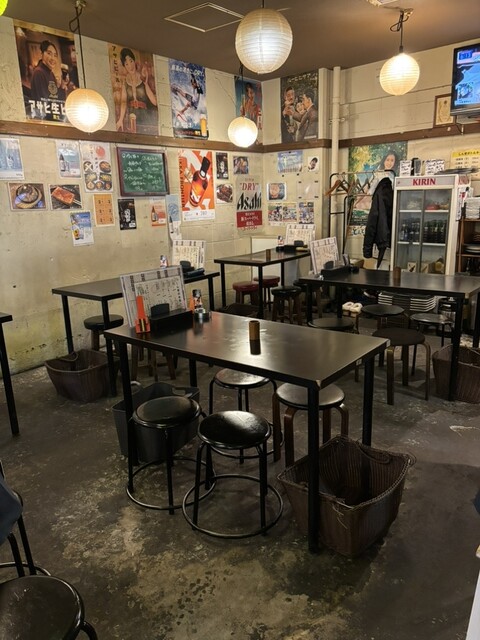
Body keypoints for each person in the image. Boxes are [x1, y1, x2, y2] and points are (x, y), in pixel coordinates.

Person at [116, 48, 157, 134]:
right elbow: (123, 102)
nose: (130, 66)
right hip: (131, 117)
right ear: (124, 66)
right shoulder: (125, 82)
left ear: (134, 61)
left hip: (145, 117)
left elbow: (154, 102)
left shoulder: (143, 78)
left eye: (131, 61)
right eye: (126, 64)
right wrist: (120, 120)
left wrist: (146, 84)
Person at [30, 40, 65, 105]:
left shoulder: (51, 73)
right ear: (41, 54)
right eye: (49, 53)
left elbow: (55, 97)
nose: (53, 58)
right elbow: (43, 102)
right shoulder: (38, 73)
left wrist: (62, 87)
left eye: (55, 55)